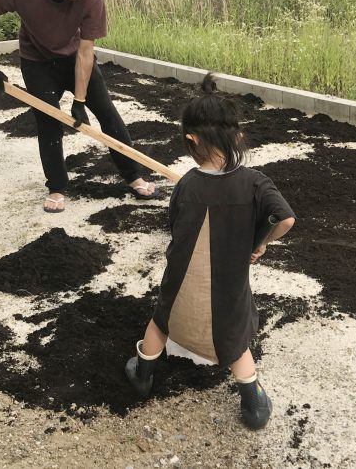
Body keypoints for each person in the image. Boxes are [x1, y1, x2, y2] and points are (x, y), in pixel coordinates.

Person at [125, 74, 296, 430]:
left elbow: (175, 226)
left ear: (191, 139)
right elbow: (286, 219)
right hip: (230, 285)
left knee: (161, 320)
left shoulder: (187, 184)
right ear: (237, 136)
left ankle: (143, 373)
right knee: (235, 344)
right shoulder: (255, 182)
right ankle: (253, 406)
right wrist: (261, 242)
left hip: (182, 280)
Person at [0, 0, 160, 213]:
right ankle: (57, 187)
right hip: (36, 61)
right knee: (48, 122)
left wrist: (80, 100)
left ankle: (133, 175)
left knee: (107, 114)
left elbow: (86, 53)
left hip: (74, 57)